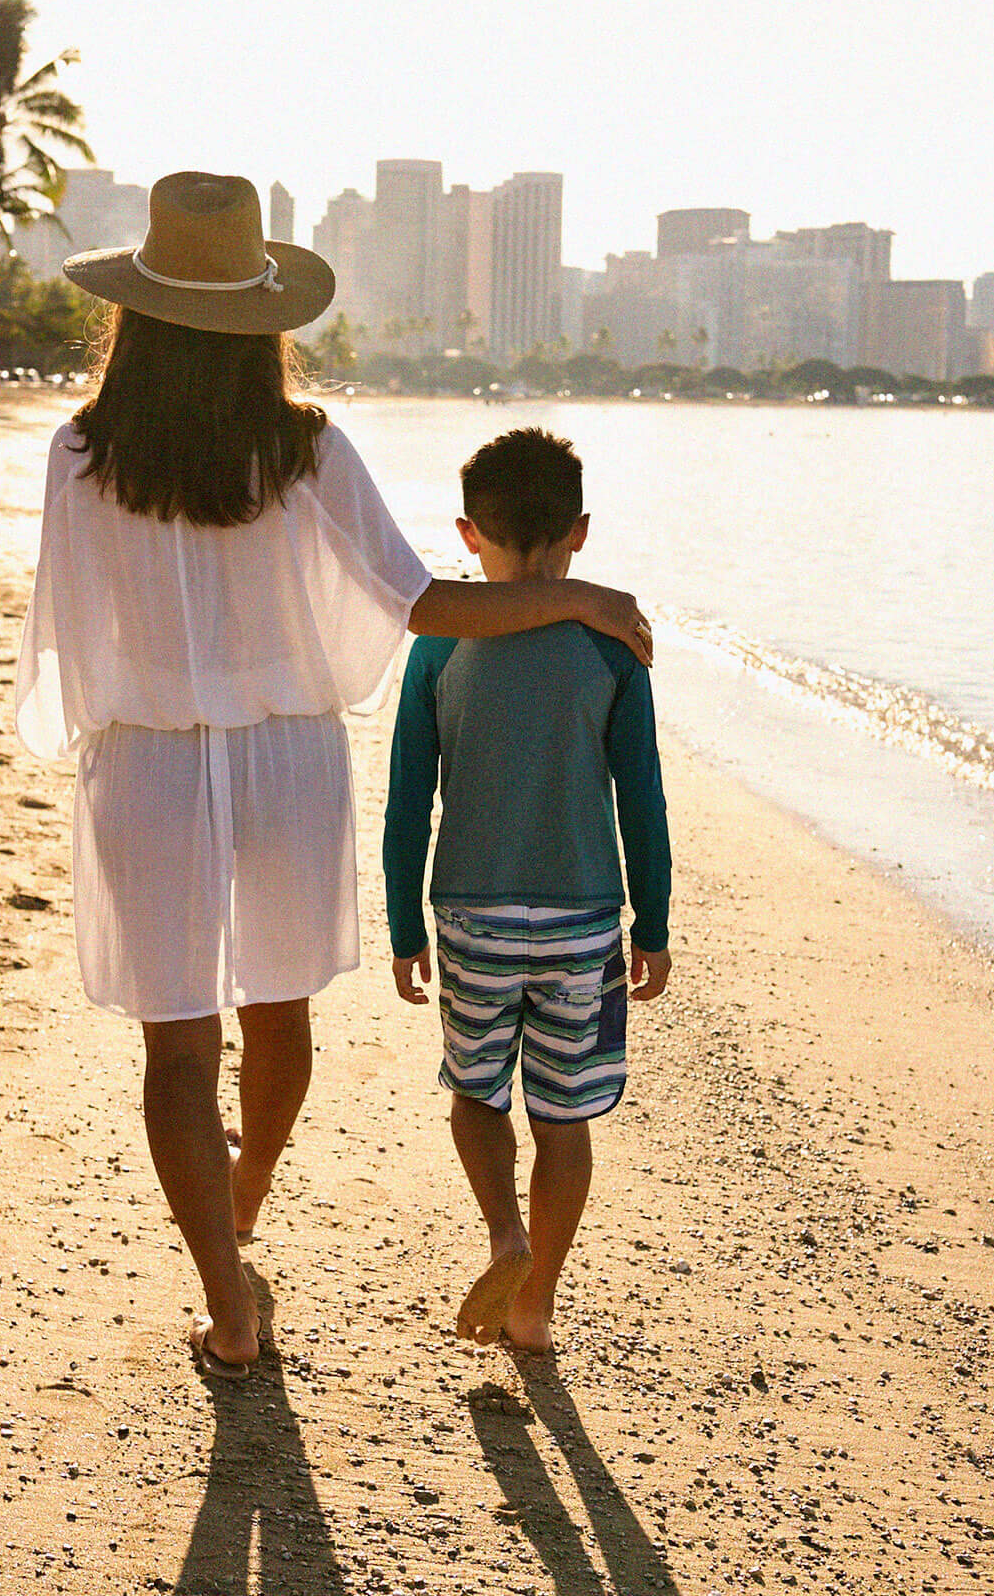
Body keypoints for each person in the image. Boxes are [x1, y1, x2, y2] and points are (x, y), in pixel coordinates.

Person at [12, 174, 654, 1381]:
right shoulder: (302, 444)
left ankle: (229, 1299)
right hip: (281, 763)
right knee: (277, 1016)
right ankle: (244, 1199)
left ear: (135, 315)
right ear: (263, 322)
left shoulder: (83, 449)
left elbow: (69, 624)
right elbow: (422, 604)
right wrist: (576, 594)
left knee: (176, 1057)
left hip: (148, 764)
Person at [383, 426, 672, 1355]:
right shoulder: (615, 647)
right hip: (584, 916)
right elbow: (643, 795)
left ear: (469, 534)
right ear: (579, 532)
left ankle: (503, 1236)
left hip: (469, 911)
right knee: (565, 1116)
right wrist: (654, 922)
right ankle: (535, 1304)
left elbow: (406, 799)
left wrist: (401, 922)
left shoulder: (440, 645)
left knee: (475, 1094)